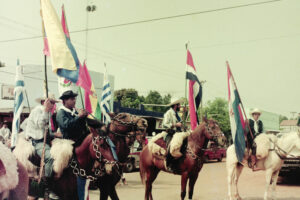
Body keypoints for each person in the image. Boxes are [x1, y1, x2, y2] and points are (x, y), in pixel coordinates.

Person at [25, 94, 59, 179]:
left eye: (53, 102)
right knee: (50, 158)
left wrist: (55, 134)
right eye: (51, 102)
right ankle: (48, 183)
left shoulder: (48, 113)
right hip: (37, 142)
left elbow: (46, 130)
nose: (53, 105)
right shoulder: (37, 110)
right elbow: (40, 125)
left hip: (46, 140)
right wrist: (46, 110)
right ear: (44, 102)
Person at [162, 97, 184, 172]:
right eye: (179, 105)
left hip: (178, 134)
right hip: (170, 134)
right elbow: (164, 124)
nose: (180, 106)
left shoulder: (177, 114)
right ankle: (169, 165)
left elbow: (180, 124)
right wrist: (175, 125)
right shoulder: (168, 113)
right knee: (170, 147)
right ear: (175, 105)